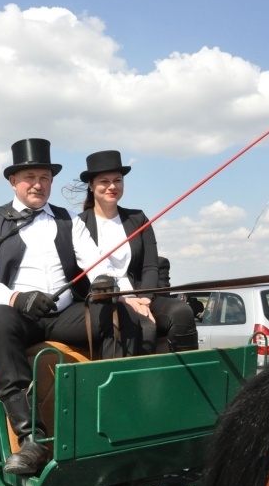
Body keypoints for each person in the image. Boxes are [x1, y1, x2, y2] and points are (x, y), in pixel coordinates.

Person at [0, 138, 143, 475]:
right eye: (30, 177)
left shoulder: (67, 220)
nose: (38, 184)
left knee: (115, 313)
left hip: (63, 314)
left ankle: (110, 417)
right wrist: (18, 298)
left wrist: (105, 282)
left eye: (45, 177)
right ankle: (31, 437)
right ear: (13, 182)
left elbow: (94, 262)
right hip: (18, 315)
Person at [77, 150, 198, 352]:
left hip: (142, 296)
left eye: (118, 180)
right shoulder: (79, 224)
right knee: (142, 326)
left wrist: (144, 299)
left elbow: (151, 267)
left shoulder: (139, 219)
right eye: (104, 181)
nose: (112, 186)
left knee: (182, 312)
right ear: (91, 185)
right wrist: (126, 301)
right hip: (108, 302)